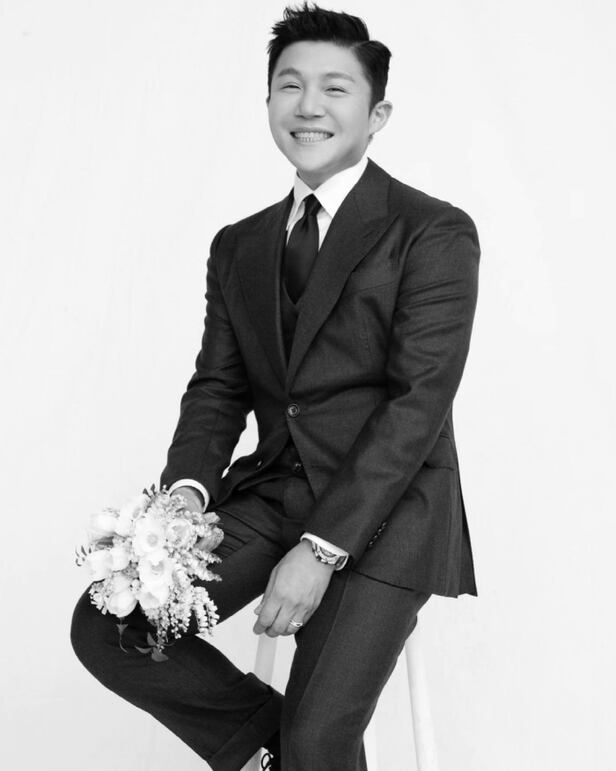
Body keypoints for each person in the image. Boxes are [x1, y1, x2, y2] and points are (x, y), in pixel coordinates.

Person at [71, 3, 480, 769]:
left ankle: (298, 750)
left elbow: (417, 404)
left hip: (390, 511)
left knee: (320, 735)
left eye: (335, 88)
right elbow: (217, 390)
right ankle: (272, 750)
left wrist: (320, 550)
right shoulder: (239, 245)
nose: (308, 105)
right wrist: (183, 501)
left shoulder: (432, 231)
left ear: (378, 114)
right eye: (290, 86)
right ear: (268, 102)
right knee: (110, 624)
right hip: (273, 493)